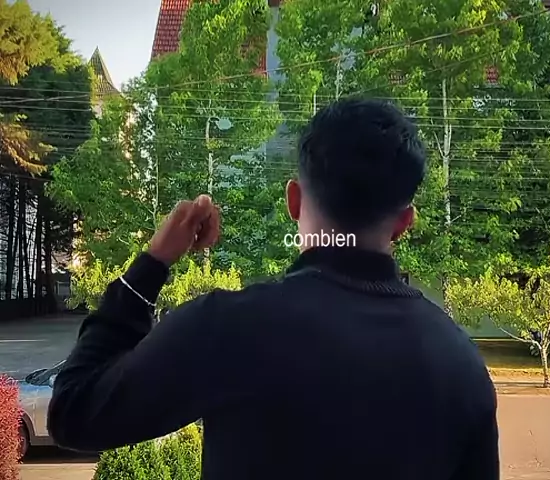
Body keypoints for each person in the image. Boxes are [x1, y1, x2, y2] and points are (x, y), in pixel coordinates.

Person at [48, 98, 499, 480]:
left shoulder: (229, 328)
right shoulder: (460, 362)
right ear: (404, 223)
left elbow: (74, 412)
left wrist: (152, 263)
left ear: (294, 200)